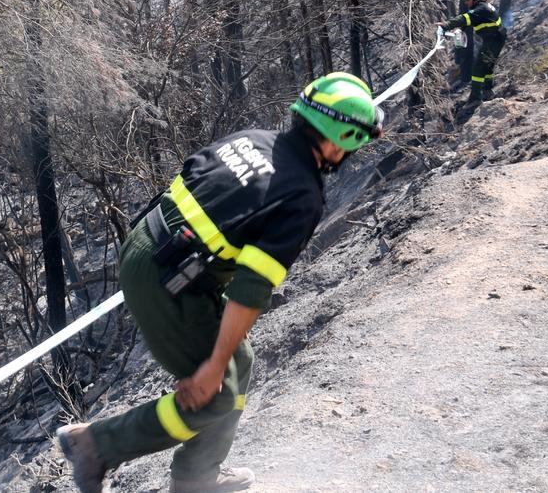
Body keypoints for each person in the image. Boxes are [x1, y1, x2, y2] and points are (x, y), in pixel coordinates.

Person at [56, 72, 383, 493]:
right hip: (168, 279)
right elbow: (251, 289)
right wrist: (210, 366)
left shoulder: (253, 139)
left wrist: (221, 354)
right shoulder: (303, 194)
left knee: (238, 362)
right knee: (217, 393)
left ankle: (197, 477)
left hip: (147, 248)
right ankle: (95, 444)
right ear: (343, 137)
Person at [439, 0, 508, 104]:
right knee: (487, 66)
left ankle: (475, 98)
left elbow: (466, 18)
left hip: (493, 39)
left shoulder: (481, 9)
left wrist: (446, 25)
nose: (467, 3)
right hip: (495, 38)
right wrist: (460, 29)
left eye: (468, 0)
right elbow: (471, 20)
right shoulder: (482, 7)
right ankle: (487, 91)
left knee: (478, 68)